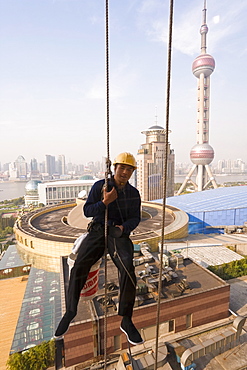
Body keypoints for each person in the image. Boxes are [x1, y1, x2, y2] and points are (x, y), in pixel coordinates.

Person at [54, 152, 144, 345]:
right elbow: (87, 211)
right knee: (79, 266)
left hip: (118, 234)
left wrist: (123, 228)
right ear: (115, 168)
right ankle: (70, 312)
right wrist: (105, 202)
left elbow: (135, 218)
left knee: (128, 268)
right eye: (122, 168)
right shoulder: (100, 187)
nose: (125, 172)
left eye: (129, 169)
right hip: (98, 230)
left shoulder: (134, 194)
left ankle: (126, 319)